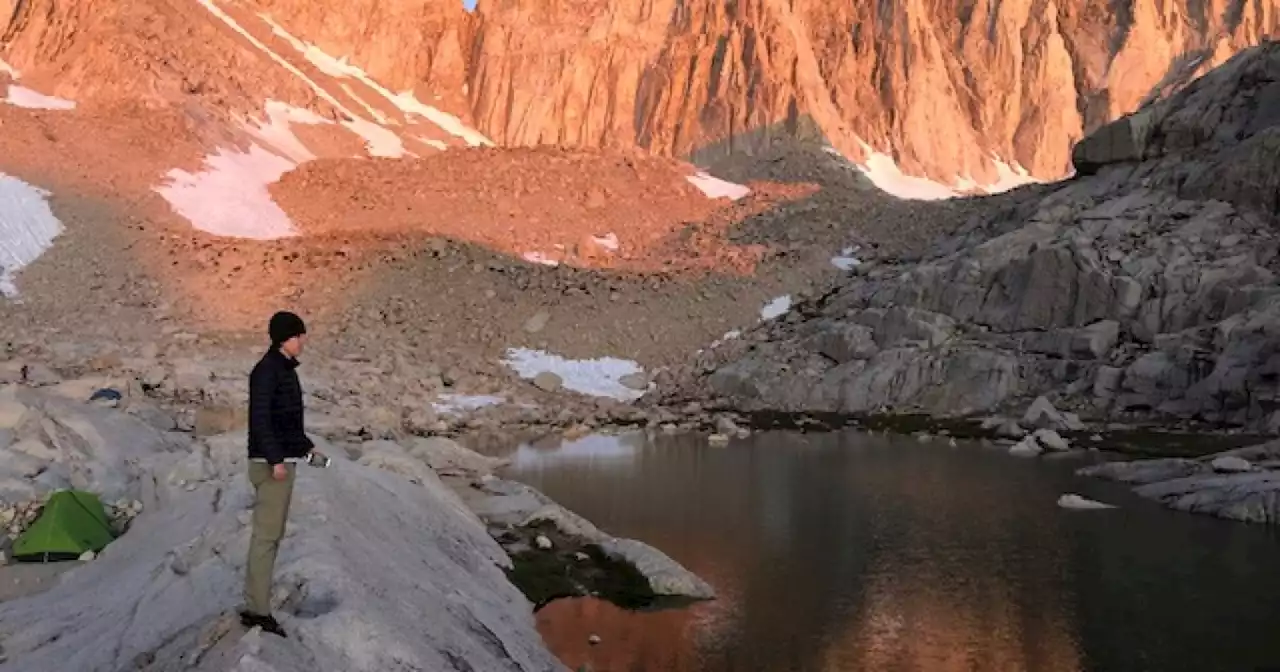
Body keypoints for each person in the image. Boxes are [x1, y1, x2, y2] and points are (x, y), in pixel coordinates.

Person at [239, 310, 323, 638]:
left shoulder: (282, 369)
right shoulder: (268, 371)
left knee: (270, 537)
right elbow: (261, 420)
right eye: (299, 335)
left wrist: (306, 447)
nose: (303, 341)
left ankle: (257, 604)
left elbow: (286, 420)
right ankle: (257, 610)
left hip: (282, 459)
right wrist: (275, 460)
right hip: (269, 464)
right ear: (286, 337)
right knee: (266, 538)